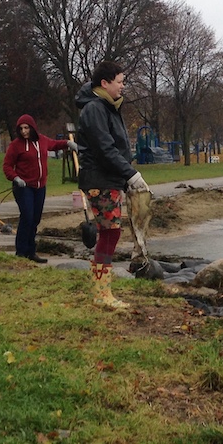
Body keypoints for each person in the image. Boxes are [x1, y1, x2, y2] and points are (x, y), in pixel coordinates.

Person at [75, 60, 151, 309]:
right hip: (99, 179)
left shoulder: (108, 107)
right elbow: (105, 149)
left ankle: (102, 290)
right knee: (110, 231)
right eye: (120, 82)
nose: (123, 87)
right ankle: (101, 293)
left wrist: (124, 177)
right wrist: (130, 174)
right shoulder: (95, 109)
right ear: (105, 83)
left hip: (109, 179)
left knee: (111, 231)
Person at [3, 114, 77, 263]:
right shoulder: (15, 145)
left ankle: (31, 252)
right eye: (21, 129)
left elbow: (55, 144)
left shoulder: (42, 140)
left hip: (40, 187)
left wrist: (68, 143)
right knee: (27, 217)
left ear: (32, 128)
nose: (24, 131)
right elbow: (7, 166)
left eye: (26, 128)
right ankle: (21, 253)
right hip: (24, 187)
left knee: (35, 219)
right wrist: (16, 178)